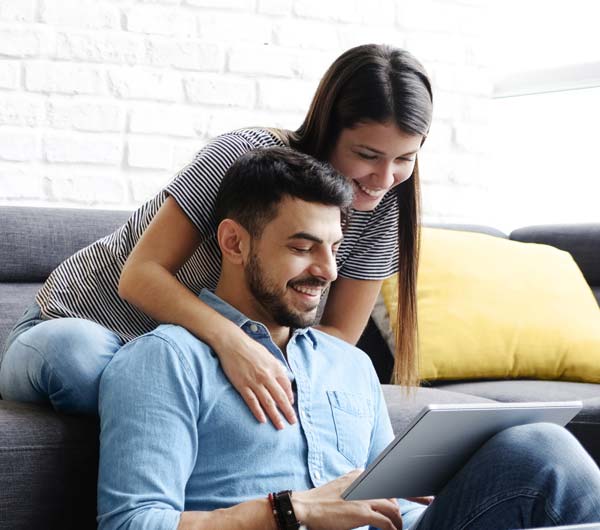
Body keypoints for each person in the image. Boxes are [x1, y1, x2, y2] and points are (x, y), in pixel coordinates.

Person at [97, 148, 600, 530]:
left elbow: (392, 502)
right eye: (302, 247)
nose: (328, 271)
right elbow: (131, 522)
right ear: (233, 242)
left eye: (335, 248)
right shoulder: (165, 360)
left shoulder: (348, 364)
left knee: (542, 448)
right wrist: (290, 511)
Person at [0, 43, 430, 424]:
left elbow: (337, 340)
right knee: (82, 362)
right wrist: (234, 346)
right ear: (328, 128)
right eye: (367, 155)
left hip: (187, 365)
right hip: (83, 328)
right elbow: (140, 275)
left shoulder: (384, 213)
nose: (384, 177)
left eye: (404, 159)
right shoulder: (242, 156)